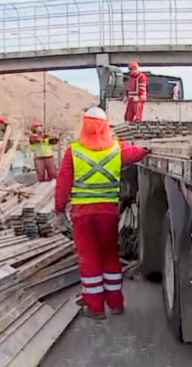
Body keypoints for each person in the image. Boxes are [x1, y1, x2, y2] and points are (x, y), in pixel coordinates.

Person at [54, 107, 148, 319]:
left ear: (84, 125)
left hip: (82, 215)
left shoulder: (74, 151)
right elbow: (139, 152)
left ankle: (96, 308)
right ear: (106, 126)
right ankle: (116, 304)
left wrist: (59, 210)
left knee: (89, 258)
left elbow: (63, 184)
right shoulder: (117, 149)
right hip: (108, 213)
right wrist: (146, 149)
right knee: (109, 255)